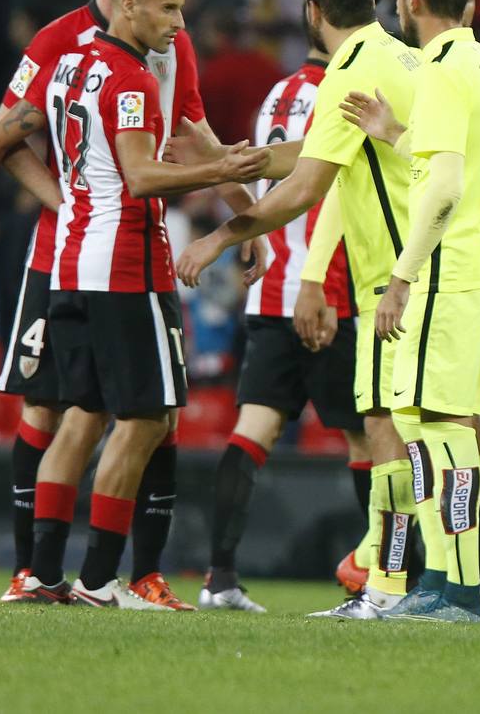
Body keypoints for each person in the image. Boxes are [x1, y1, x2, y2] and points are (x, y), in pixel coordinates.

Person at [0, 0, 259, 609]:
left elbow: (196, 130)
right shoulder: (69, 46)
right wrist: (70, 204)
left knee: (100, 411)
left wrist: (249, 225)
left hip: (96, 245)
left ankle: (95, 575)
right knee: (77, 406)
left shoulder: (157, 47)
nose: (180, 12)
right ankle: (69, 575)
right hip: (106, 249)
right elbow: (8, 138)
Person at [176, 0, 425, 618]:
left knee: (287, 430)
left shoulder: (295, 91)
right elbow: (312, 171)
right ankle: (405, 577)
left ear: (311, 14)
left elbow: (310, 186)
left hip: (314, 286)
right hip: (360, 279)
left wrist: (224, 234)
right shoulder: (399, 62)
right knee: (389, 432)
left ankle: (228, 576)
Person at [18, 0, 270, 606]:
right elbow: (141, 176)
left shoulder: (72, 65)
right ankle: (102, 580)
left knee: (81, 416)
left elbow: (15, 137)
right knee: (149, 417)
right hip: (126, 267)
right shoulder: (130, 80)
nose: (178, 23)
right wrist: (221, 170)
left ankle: (40, 576)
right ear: (127, 6)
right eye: (166, 9)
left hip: (70, 263)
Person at [341, 0, 480, 623]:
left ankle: (454, 589)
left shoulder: (438, 70)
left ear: (410, 2)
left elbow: (445, 184)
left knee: (426, 419)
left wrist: (400, 280)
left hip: (447, 270)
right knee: (463, 416)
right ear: (471, 5)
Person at [199, 49, 367, 613]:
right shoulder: (348, 94)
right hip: (324, 289)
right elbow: (326, 193)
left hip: (269, 289)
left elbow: (265, 177)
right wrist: (322, 289)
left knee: (252, 431)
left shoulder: (278, 94)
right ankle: (381, 580)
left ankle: (219, 578)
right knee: (369, 438)